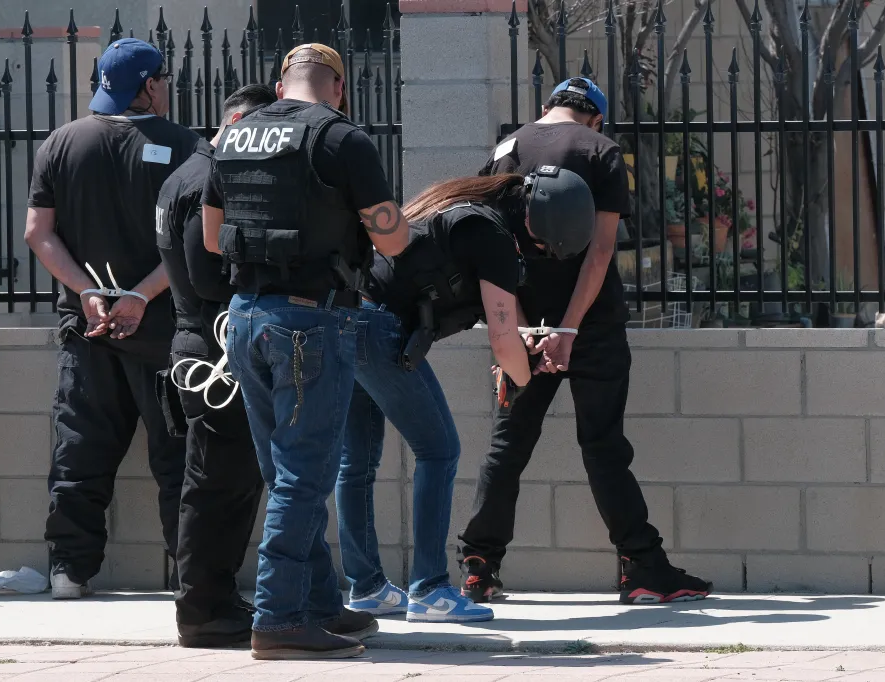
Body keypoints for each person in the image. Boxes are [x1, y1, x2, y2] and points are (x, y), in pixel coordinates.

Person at [457, 77, 713, 605]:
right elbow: (599, 255)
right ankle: (642, 568)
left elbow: (493, 252)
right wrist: (568, 331)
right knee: (603, 446)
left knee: (509, 445)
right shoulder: (601, 151)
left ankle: (479, 567)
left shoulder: (506, 150)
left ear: (547, 107)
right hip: (591, 327)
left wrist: (527, 329)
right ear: (595, 117)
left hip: (524, 325)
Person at [201, 43, 410, 660]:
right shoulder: (343, 140)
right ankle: (279, 618)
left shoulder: (236, 135)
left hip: (243, 319)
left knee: (285, 472)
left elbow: (214, 239)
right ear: (338, 88)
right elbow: (391, 239)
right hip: (310, 321)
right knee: (305, 474)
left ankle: (318, 603)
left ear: (280, 82)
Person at [337, 168, 595, 624]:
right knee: (439, 451)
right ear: (536, 223)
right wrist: (526, 371)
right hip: (378, 331)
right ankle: (431, 590)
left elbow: (502, 331)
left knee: (355, 464)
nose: (537, 252)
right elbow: (502, 340)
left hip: (348, 319)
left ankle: (367, 587)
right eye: (541, 246)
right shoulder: (491, 234)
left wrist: (518, 351)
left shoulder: (458, 204)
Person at [25, 38, 199, 599]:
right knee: (177, 455)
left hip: (89, 328)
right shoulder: (186, 148)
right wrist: (141, 295)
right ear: (149, 84)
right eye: (163, 79)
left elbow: (37, 233)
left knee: (79, 448)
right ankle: (188, 575)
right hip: (164, 331)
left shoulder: (62, 142)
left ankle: (68, 574)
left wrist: (87, 292)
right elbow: (194, 241)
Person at [155, 83, 277, 648]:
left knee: (223, 485)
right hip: (213, 350)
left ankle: (216, 600)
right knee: (217, 486)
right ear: (236, 122)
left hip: (198, 345)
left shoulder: (186, 172)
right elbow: (207, 276)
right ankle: (203, 609)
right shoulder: (209, 177)